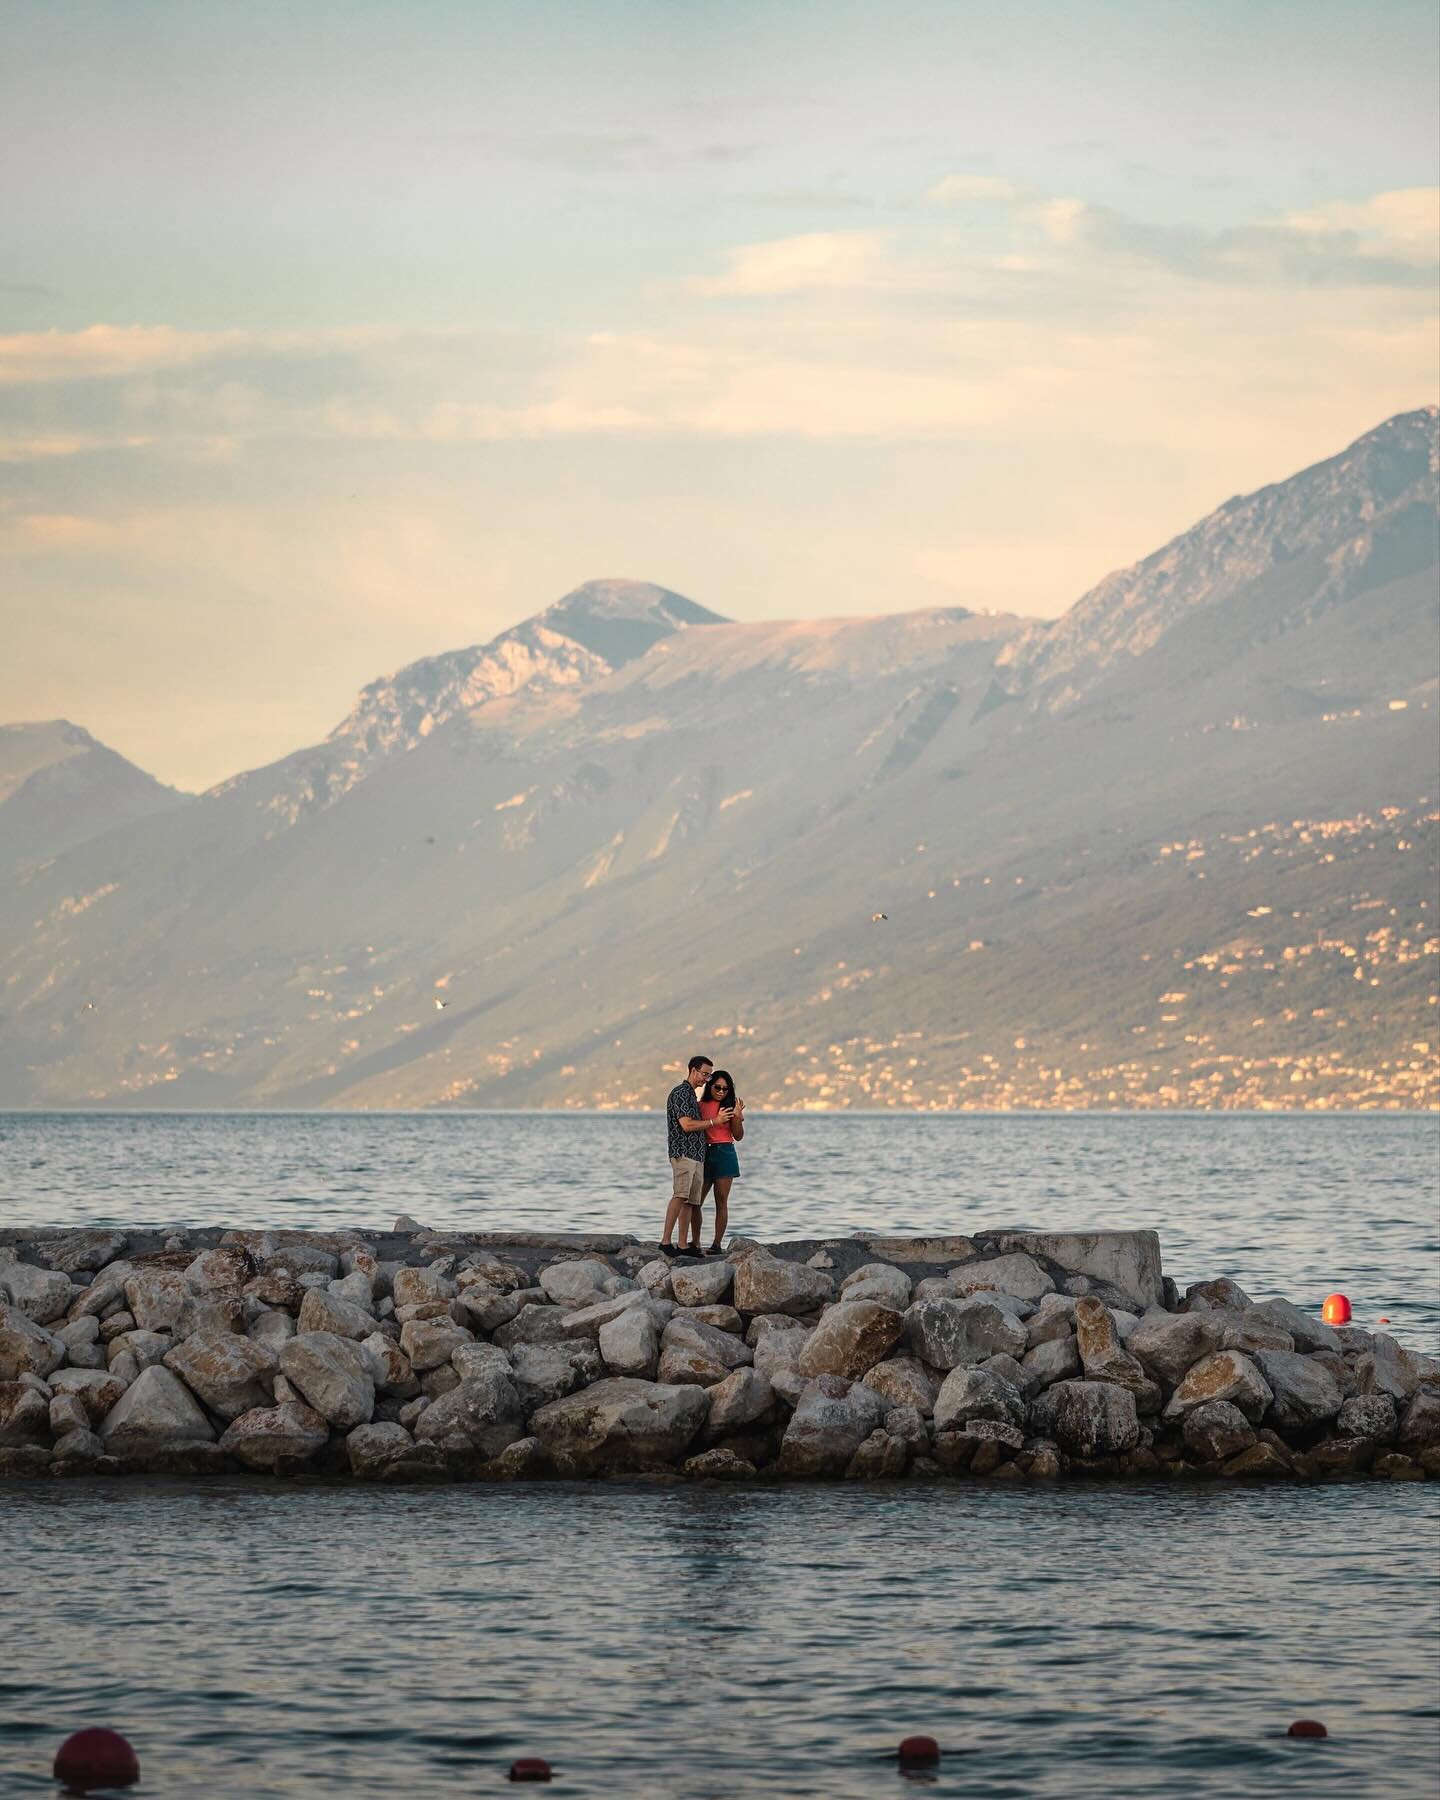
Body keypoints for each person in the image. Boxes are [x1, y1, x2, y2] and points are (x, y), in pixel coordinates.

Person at [659, 1055, 730, 1257]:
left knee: (691, 1201)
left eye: (709, 1076)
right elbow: (686, 1125)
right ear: (693, 1070)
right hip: (683, 1152)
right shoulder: (681, 1093)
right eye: (704, 1074)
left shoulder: (691, 1095)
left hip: (698, 1155)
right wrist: (714, 1121)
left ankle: (683, 1245)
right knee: (680, 1195)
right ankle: (665, 1242)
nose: (706, 1079)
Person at [698, 1069, 743, 1255]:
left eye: (725, 1089)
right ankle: (694, 1242)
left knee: (721, 1201)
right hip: (704, 1153)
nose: (721, 1092)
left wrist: (737, 1117)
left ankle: (716, 1245)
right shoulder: (699, 1106)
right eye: (718, 1087)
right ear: (710, 1086)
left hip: (725, 1153)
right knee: (695, 1201)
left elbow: (738, 1136)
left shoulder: (730, 1107)